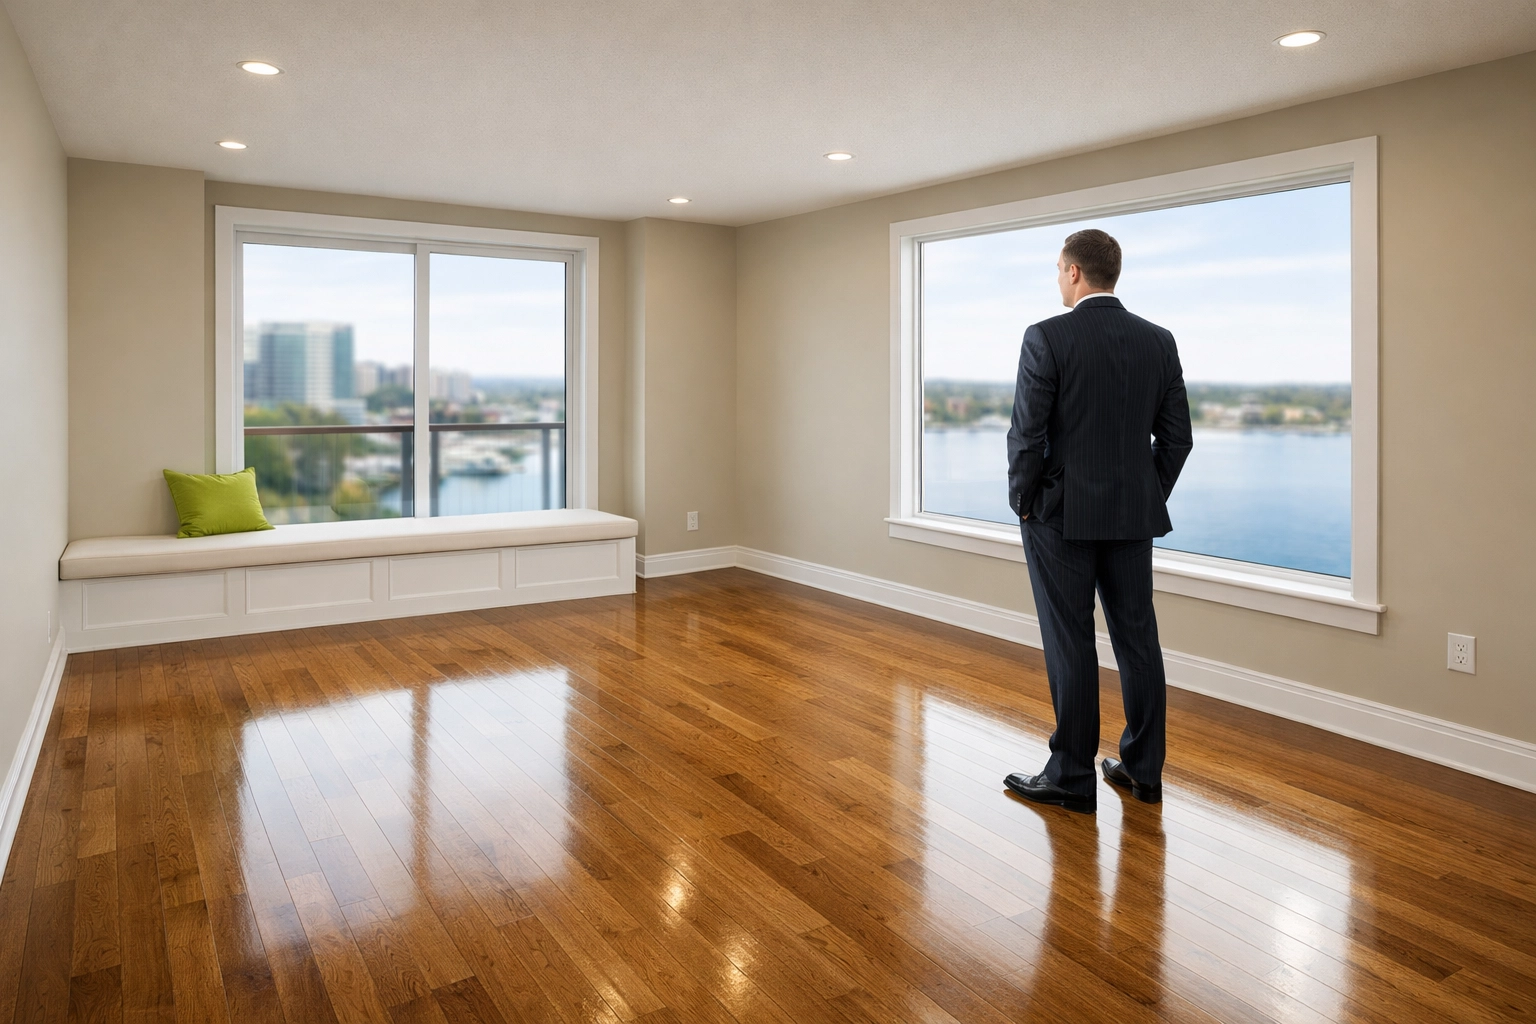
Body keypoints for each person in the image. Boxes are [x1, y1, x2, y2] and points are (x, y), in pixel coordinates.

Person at [1002, 228, 1192, 815]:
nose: (1059, 279)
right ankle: (1143, 771)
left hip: (1060, 518)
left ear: (1075, 272)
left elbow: (1026, 436)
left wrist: (1024, 503)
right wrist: (1143, 493)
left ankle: (1072, 778)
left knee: (1071, 644)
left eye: (1060, 270)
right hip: (1133, 516)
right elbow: (1178, 439)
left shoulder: (1047, 337)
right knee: (1139, 641)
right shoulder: (1158, 341)